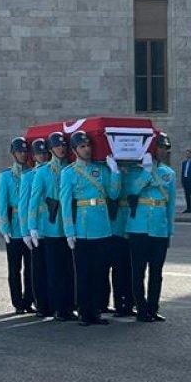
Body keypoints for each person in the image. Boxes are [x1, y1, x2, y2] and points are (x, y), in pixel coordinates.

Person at [59, 131, 120, 326]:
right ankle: (85, 313)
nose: (87, 149)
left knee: (100, 273)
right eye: (82, 147)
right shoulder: (69, 173)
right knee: (84, 273)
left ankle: (97, 311)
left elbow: (113, 193)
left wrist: (115, 173)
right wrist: (69, 231)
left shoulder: (101, 169)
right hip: (83, 229)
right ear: (75, 150)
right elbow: (66, 203)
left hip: (102, 227)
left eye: (88, 146)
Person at [125, 132, 177, 322]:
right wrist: (146, 171)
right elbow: (131, 190)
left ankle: (153, 308)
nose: (164, 151)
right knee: (138, 270)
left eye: (166, 148)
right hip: (138, 227)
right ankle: (141, 308)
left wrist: (169, 231)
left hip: (159, 227)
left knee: (157, 271)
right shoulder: (134, 170)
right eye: (161, 147)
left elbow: (170, 205)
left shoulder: (169, 173)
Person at [25, 132, 76, 322]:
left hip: (70, 225)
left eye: (63, 146)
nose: (61, 149)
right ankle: (57, 307)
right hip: (52, 226)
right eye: (56, 146)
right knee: (55, 270)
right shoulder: (43, 172)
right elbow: (33, 200)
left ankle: (69, 306)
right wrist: (32, 227)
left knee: (69, 270)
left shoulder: (72, 169)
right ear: (51, 149)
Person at [0, 137, 34, 314]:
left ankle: (29, 299)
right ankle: (18, 302)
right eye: (19, 151)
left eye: (25, 151)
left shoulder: (32, 172)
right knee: (14, 268)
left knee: (31, 267)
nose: (23, 154)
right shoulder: (6, 176)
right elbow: (2, 204)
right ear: (13, 153)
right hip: (14, 225)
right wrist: (5, 228)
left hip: (29, 226)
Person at [22, 138, 51, 317]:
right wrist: (26, 230)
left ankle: (53, 302)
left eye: (44, 152)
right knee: (38, 269)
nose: (42, 156)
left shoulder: (55, 172)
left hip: (53, 226)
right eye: (39, 153)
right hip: (38, 228)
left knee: (53, 269)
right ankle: (41, 304)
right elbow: (25, 205)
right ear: (33, 156)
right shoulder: (29, 176)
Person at [105, 168, 134, 318]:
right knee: (117, 268)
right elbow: (113, 194)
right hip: (115, 223)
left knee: (131, 268)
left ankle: (129, 303)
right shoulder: (109, 170)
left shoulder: (135, 170)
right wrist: (115, 171)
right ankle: (119, 304)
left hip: (132, 222)